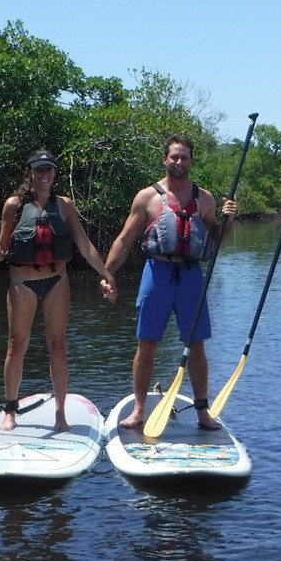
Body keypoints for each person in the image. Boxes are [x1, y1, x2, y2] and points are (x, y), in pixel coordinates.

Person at [103, 134, 237, 431]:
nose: (179, 161)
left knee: (197, 346)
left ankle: (202, 411)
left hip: (190, 276)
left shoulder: (204, 198)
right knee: (147, 344)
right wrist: (107, 273)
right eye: (174, 156)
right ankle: (139, 409)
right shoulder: (147, 197)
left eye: (184, 157)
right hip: (157, 272)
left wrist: (230, 220)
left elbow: (217, 238)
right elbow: (124, 240)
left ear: (191, 161)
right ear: (165, 159)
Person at [0, 150, 117, 432]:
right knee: (17, 345)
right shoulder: (14, 205)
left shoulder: (64, 205)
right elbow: (2, 248)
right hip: (22, 283)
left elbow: (84, 244)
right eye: (39, 169)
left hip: (56, 281)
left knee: (58, 346)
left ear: (54, 173)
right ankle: (10, 411)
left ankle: (60, 414)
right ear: (30, 172)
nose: (44, 174)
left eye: (48, 169)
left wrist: (106, 275)